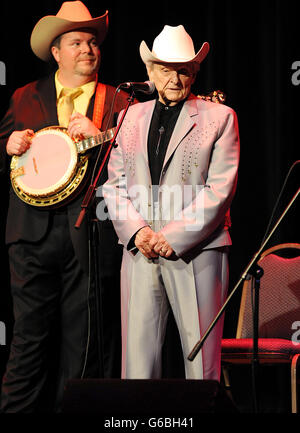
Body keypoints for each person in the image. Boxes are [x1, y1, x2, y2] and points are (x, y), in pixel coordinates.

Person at [0, 1, 130, 412]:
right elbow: (2, 150)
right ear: (56, 51)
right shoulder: (25, 96)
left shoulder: (118, 102)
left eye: (92, 42)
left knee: (87, 340)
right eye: (77, 41)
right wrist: (8, 145)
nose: (87, 49)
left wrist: (104, 136)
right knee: (28, 339)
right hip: (31, 234)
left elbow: (138, 166)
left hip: (90, 233)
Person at [103, 25, 240, 380]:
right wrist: (138, 233)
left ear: (194, 72)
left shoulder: (220, 118)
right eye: (166, 69)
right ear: (150, 71)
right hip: (141, 250)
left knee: (200, 361)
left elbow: (219, 189)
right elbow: (114, 184)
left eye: (183, 69)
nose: (175, 78)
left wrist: (174, 236)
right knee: (137, 363)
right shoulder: (128, 117)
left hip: (197, 251)